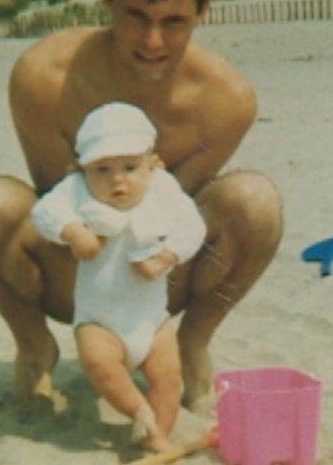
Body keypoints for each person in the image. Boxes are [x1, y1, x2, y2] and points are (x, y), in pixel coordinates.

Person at [0, 0, 283, 412]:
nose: (152, 41)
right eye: (136, 16)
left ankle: (191, 345)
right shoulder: (46, 76)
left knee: (257, 202)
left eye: (174, 22)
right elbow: (56, 197)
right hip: (76, 266)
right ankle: (34, 345)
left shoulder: (227, 101)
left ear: (203, 12)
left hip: (158, 275)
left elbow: (178, 209)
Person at [31, 101, 206, 451]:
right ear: (82, 168)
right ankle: (137, 409)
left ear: (153, 164)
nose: (118, 180)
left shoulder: (162, 189)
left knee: (169, 379)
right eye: (103, 170)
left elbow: (193, 226)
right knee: (98, 361)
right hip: (100, 320)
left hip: (151, 320)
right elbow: (44, 211)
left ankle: (157, 439)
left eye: (130, 167)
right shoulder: (76, 190)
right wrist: (72, 231)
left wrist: (167, 256)